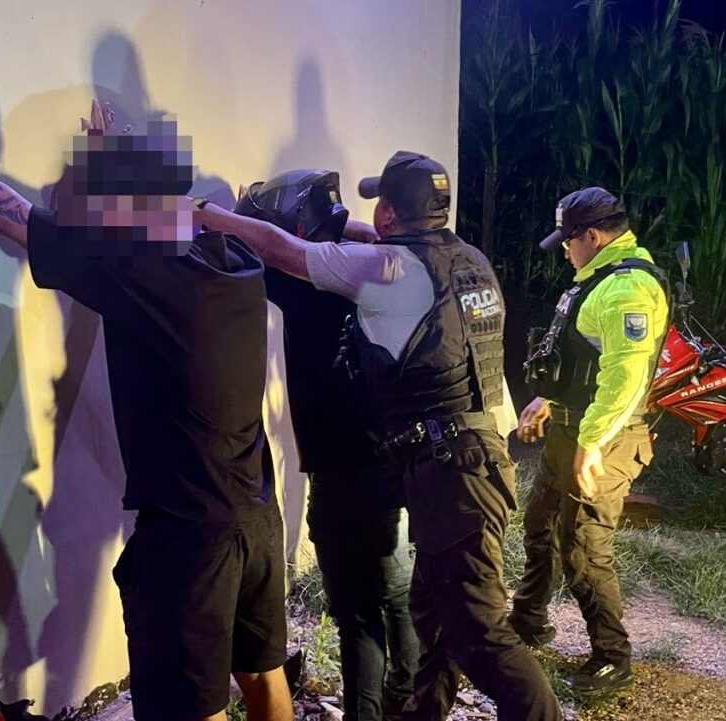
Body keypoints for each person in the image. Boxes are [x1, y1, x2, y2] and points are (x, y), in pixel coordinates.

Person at [0, 34, 292, 721]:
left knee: (194, 707)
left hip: (189, 543)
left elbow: (1, 208)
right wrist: (117, 158)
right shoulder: (229, 256)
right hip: (256, 520)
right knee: (265, 679)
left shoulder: (135, 266)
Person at [195, 151, 563, 721]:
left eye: (380, 205)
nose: (371, 216)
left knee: (481, 635)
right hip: (467, 459)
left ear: (390, 212)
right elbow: (368, 241)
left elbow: (284, 252)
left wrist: (208, 213)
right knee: (430, 612)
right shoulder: (467, 259)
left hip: (453, 470)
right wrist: (330, 224)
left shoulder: (389, 270)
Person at [234, 170, 420, 721]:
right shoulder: (385, 267)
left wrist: (230, 214)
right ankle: (409, 696)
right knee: (396, 592)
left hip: (343, 473)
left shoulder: (303, 280)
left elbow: (262, 249)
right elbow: (353, 235)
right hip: (391, 459)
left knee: (357, 612)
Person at [511, 187, 669, 697]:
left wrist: (594, 441)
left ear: (594, 236)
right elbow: (584, 362)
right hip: (572, 427)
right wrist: (548, 401)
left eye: (568, 240)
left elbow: (625, 377)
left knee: (582, 544)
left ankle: (612, 658)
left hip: (608, 436)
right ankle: (528, 621)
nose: (564, 249)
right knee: (540, 522)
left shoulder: (628, 289)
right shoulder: (599, 279)